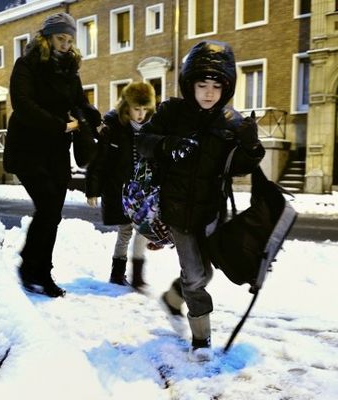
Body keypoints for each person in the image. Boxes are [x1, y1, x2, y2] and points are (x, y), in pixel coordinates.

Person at [134, 40, 265, 359]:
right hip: (177, 213)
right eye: (201, 84)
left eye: (216, 86)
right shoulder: (172, 112)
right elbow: (142, 142)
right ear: (189, 83)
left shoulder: (231, 122)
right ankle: (201, 340)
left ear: (227, 87)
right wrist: (166, 145)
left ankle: (171, 299)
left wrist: (251, 147)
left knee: (204, 273)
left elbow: (240, 167)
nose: (208, 92)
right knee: (195, 276)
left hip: (211, 213)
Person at [3, 12, 99, 298]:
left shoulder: (70, 70)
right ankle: (31, 268)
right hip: (28, 149)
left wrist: (95, 120)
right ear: (46, 37)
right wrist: (62, 125)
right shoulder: (27, 65)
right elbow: (22, 105)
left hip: (57, 151)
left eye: (70, 40)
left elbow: (80, 102)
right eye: (60, 38)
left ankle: (40, 270)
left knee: (53, 214)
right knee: (46, 206)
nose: (65, 45)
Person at [85, 82, 158, 291]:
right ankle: (117, 273)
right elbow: (99, 160)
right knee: (125, 231)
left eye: (145, 109)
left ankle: (137, 276)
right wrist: (92, 189)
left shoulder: (153, 129)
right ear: (127, 107)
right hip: (122, 190)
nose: (141, 114)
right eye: (137, 109)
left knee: (143, 231)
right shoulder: (114, 128)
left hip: (145, 192)